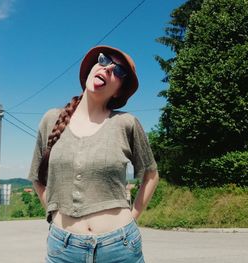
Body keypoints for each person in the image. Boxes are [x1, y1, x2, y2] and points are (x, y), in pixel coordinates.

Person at [28, 45, 159, 263]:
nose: (108, 69)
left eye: (119, 71)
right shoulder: (51, 120)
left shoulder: (126, 123)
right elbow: (37, 179)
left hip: (120, 248)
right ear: (92, 68)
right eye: (104, 60)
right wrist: (55, 216)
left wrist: (132, 218)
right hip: (63, 250)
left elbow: (151, 175)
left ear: (119, 90)